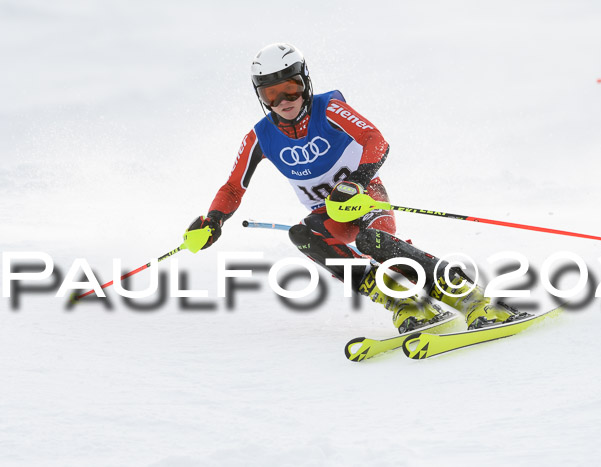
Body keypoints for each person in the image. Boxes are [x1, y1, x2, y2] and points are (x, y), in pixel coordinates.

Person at [187, 43, 521, 332]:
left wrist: (355, 183)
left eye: (291, 87)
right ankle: (408, 306)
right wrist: (213, 221)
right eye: (271, 94)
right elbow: (233, 187)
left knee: (369, 240)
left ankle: (475, 301)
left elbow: (375, 140)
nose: (284, 100)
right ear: (261, 97)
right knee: (303, 235)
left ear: (305, 82)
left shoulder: (329, 108)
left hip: (365, 198)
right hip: (328, 215)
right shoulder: (259, 137)